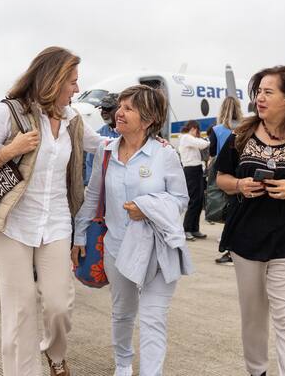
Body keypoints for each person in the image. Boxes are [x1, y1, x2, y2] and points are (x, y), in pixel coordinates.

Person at [0, 46, 105, 376]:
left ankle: (55, 355)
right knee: (20, 309)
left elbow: (104, 145)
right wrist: (10, 150)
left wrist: (149, 143)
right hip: (11, 222)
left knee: (59, 305)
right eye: (72, 81)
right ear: (52, 80)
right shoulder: (8, 113)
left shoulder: (73, 120)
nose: (76, 87)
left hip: (55, 222)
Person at [216, 66, 285, 376]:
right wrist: (240, 185)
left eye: (268, 92)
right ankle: (258, 372)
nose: (259, 98)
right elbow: (221, 178)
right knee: (253, 317)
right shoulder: (240, 135)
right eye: (258, 92)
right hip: (246, 240)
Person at [72, 85, 192, 376]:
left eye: (128, 108)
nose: (119, 112)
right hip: (116, 246)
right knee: (123, 312)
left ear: (149, 119)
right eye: (119, 106)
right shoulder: (105, 151)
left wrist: (146, 207)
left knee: (153, 318)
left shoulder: (165, 155)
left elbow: (181, 200)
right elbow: (92, 196)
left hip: (158, 248)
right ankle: (123, 364)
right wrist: (79, 236)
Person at [207, 96, 243, 265]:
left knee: (225, 208)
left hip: (224, 173)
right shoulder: (245, 128)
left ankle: (230, 249)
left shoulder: (216, 130)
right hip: (242, 172)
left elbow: (213, 152)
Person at [178, 120, 210, 240]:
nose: (198, 133)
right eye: (197, 130)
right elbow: (203, 144)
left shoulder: (191, 140)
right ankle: (186, 229)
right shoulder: (186, 137)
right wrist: (208, 139)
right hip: (190, 170)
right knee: (193, 200)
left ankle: (194, 228)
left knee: (199, 200)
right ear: (193, 128)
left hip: (197, 170)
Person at [84, 92, 120, 185]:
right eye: (102, 108)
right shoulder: (98, 135)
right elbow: (90, 164)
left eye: (108, 108)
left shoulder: (132, 133)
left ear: (120, 109)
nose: (104, 111)